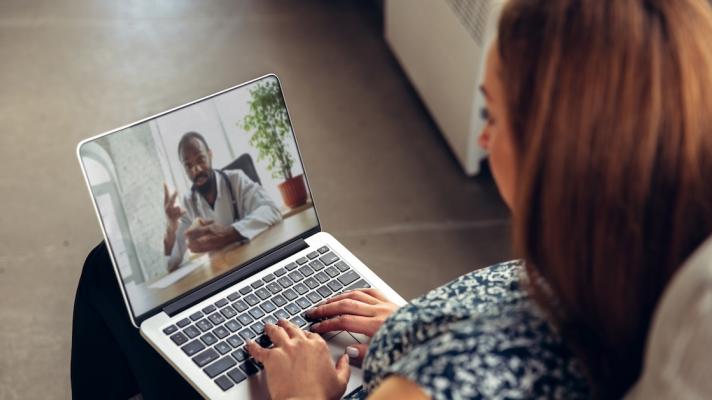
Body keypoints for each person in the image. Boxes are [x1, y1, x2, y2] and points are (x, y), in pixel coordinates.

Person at [71, 0, 712, 398]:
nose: (484, 139)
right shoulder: (647, 269)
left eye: (494, 114)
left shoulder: (446, 382)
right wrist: (415, 322)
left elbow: (264, 211)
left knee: (108, 276)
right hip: (383, 340)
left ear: (564, 150)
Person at [163, 131, 282, 272]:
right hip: (223, 273)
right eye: (188, 165)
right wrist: (171, 226)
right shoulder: (188, 202)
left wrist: (229, 233)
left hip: (256, 262)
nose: (196, 170)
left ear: (210, 154)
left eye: (201, 159)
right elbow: (171, 264)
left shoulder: (236, 180)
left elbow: (272, 209)